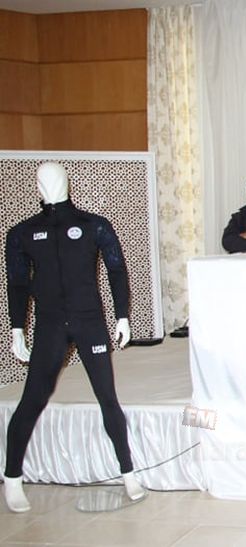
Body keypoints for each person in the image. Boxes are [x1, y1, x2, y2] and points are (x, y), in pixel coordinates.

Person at [3, 162, 145, 513]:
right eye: (42, 179)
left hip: (89, 321)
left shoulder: (94, 225)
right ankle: (12, 478)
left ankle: (128, 473)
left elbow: (116, 269)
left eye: (53, 178)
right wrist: (17, 328)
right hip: (50, 324)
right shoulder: (22, 233)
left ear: (66, 182)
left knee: (107, 397)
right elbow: (17, 283)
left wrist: (122, 315)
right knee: (32, 399)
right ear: (37, 186)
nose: (48, 184)